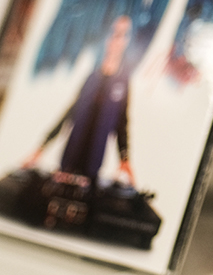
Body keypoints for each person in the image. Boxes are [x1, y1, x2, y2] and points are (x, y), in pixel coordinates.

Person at [24, 15, 135, 185]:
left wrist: (124, 159)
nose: (116, 40)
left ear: (127, 40)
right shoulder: (92, 77)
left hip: (92, 167)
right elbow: (71, 113)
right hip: (69, 161)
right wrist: (41, 148)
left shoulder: (123, 83)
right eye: (114, 33)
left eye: (122, 35)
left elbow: (121, 124)